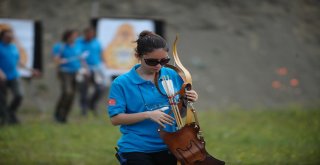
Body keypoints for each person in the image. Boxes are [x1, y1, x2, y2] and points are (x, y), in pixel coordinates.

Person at [107, 30, 198, 165]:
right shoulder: (121, 83)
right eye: (152, 61)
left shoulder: (171, 75)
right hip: (136, 148)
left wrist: (187, 100)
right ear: (138, 55)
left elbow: (180, 115)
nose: (158, 66)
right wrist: (148, 115)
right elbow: (115, 119)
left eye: (164, 60)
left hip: (171, 145)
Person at [52, 29, 83, 123]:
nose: (75, 38)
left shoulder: (77, 46)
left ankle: (64, 116)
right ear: (68, 36)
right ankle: (58, 113)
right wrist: (60, 61)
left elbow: (80, 59)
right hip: (65, 72)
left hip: (76, 72)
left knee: (72, 95)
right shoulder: (60, 46)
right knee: (67, 92)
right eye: (74, 36)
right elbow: (56, 60)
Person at [77, 27, 105, 116]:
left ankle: (92, 104)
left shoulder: (96, 42)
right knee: (84, 89)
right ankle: (84, 109)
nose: (90, 36)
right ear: (85, 34)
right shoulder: (79, 42)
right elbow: (78, 56)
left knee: (100, 88)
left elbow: (101, 53)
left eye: (91, 34)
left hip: (96, 68)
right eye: (88, 34)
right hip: (83, 68)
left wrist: (103, 64)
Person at [0, 29, 24, 125]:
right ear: (3, 37)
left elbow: (19, 61)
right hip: (1, 77)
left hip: (13, 75)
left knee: (19, 95)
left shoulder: (13, 47)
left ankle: (10, 113)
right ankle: (5, 119)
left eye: (11, 36)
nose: (10, 38)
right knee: (2, 99)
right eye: (8, 36)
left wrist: (31, 70)